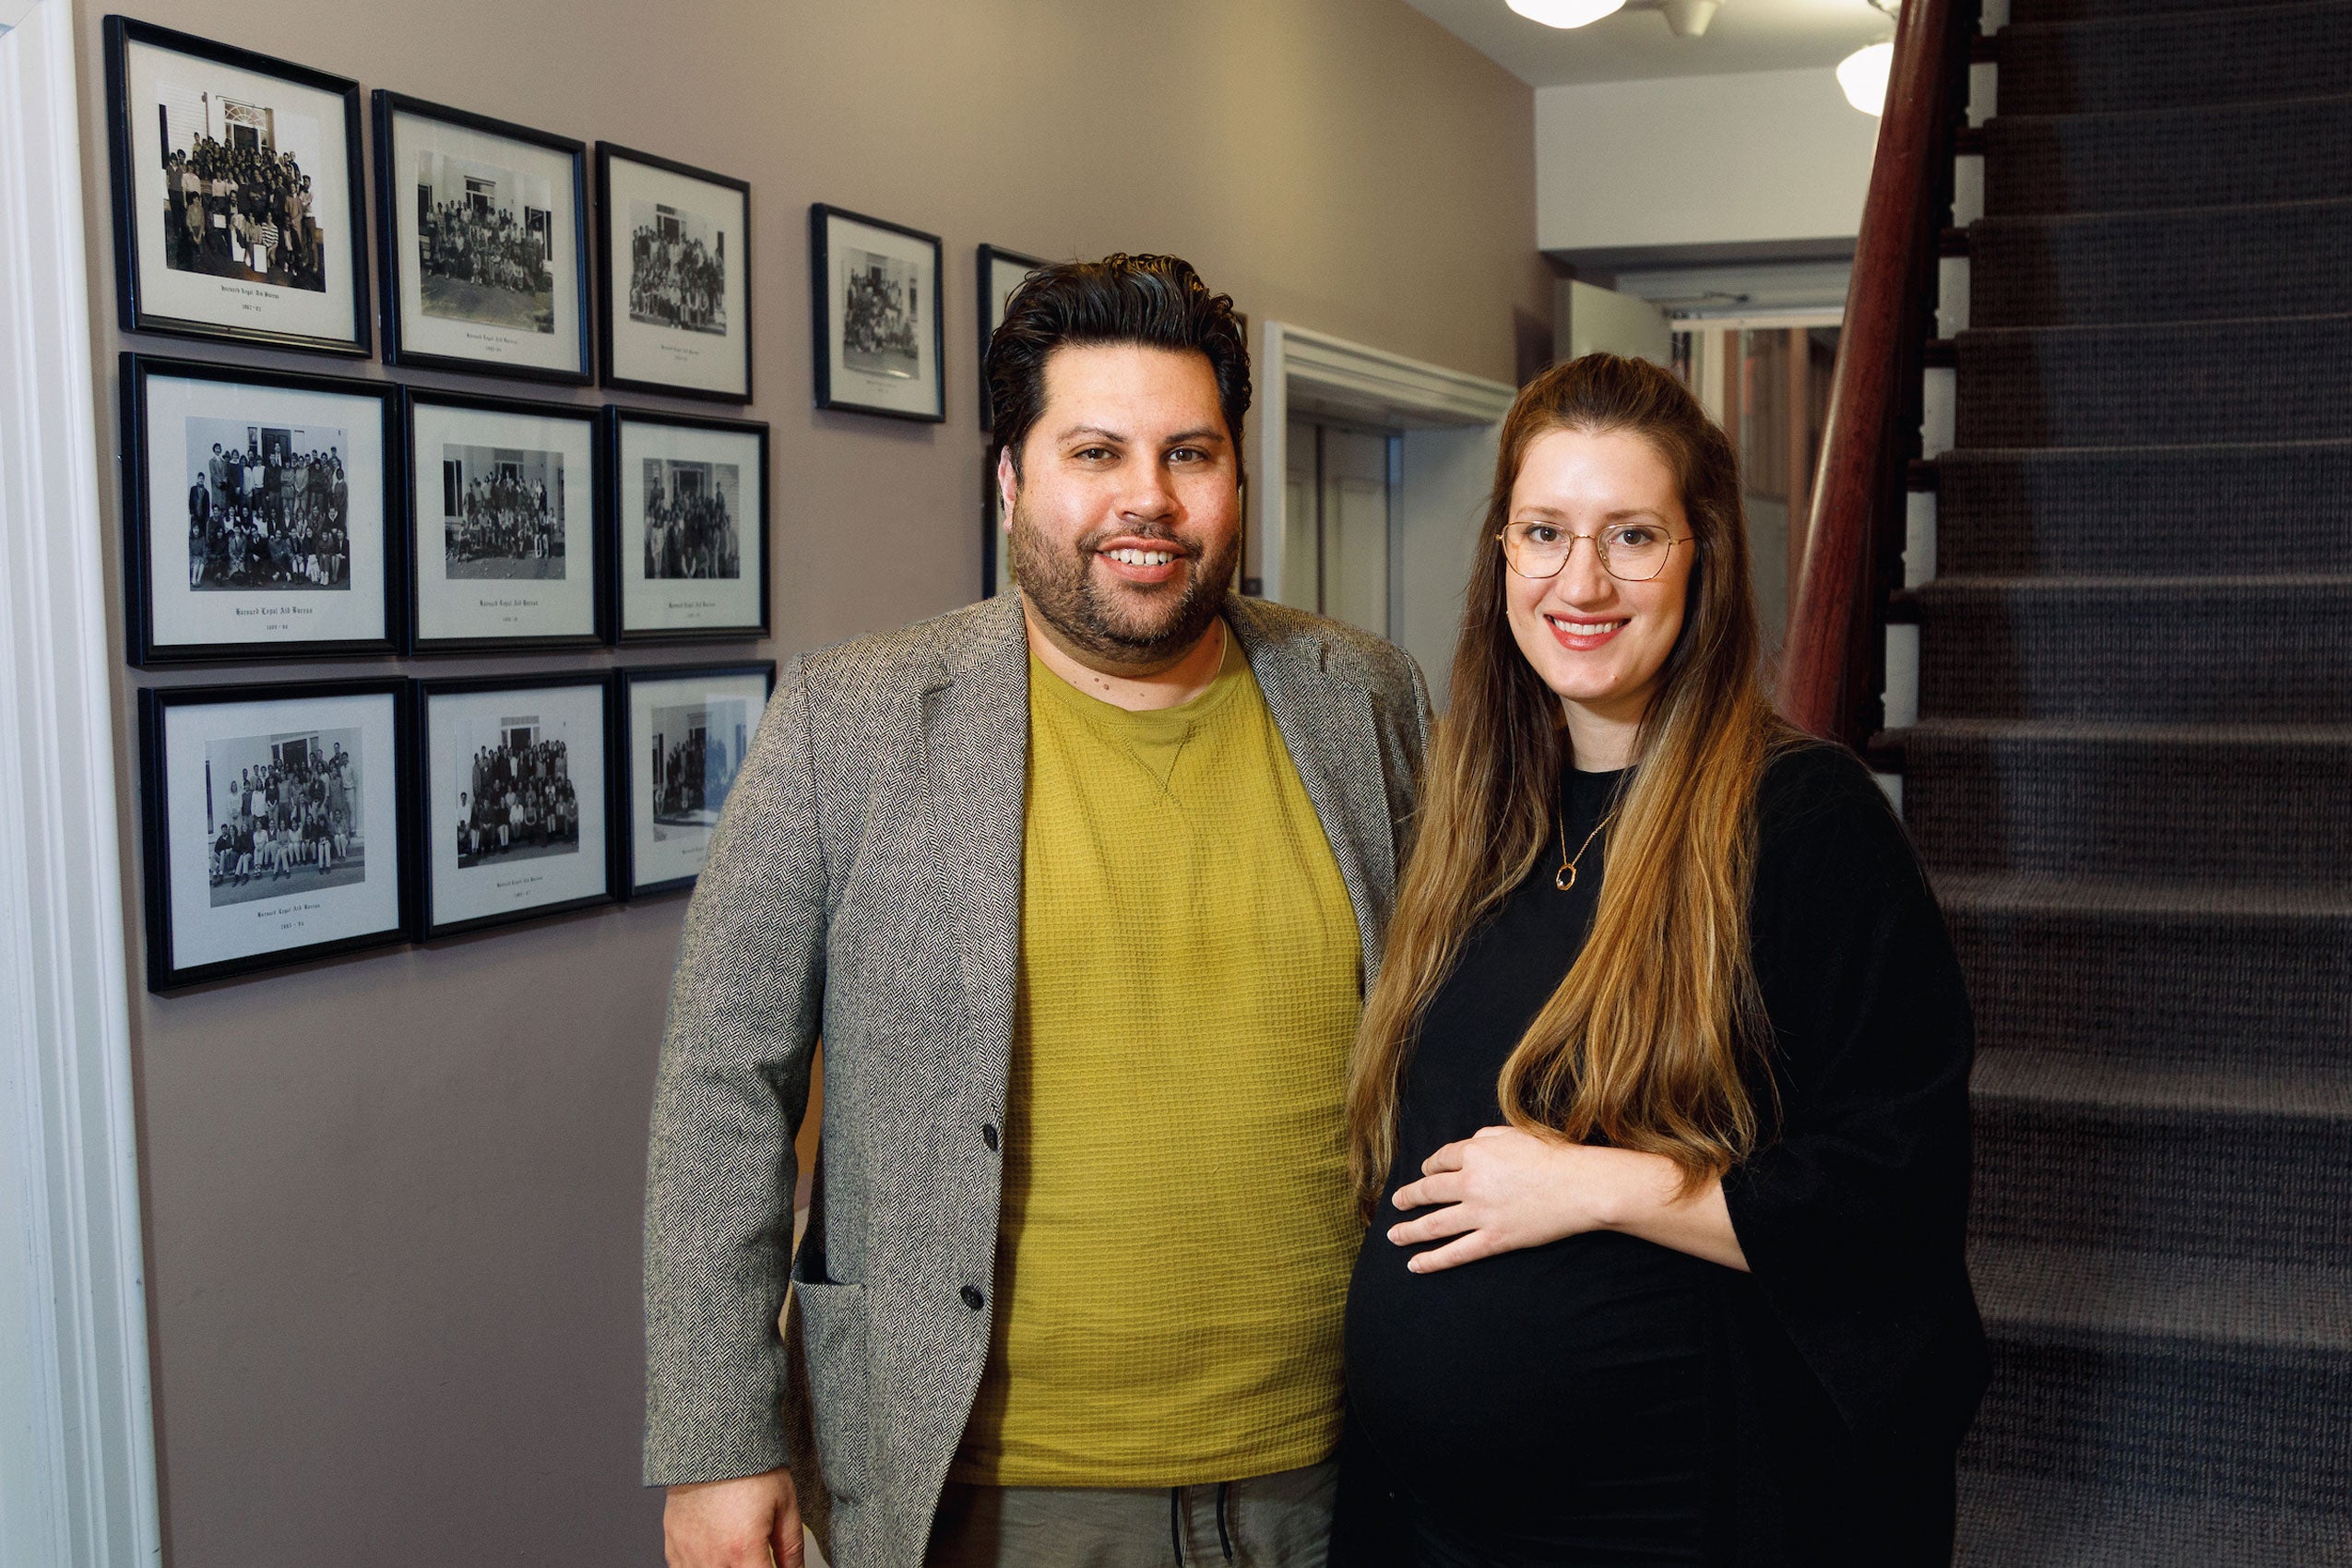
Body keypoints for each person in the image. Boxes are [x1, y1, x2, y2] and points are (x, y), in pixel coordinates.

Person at [644, 254, 1432, 1568]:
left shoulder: (1364, 698)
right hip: (987, 1492)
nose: (1148, 499)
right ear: (1010, 480)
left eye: (1190, 452)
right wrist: (722, 1443)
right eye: (1095, 451)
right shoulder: (851, 721)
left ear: (1237, 476)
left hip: (1342, 1472)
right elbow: (722, 1086)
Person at [1334, 354, 1987, 1567]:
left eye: (1631, 535)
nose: (1581, 581)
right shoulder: (1469, 823)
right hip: (1434, 1533)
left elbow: (1892, 1191)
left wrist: (1600, 1185)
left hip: (1678, 1518)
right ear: (1499, 557)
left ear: (1700, 556)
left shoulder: (1800, 822)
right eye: (1544, 532)